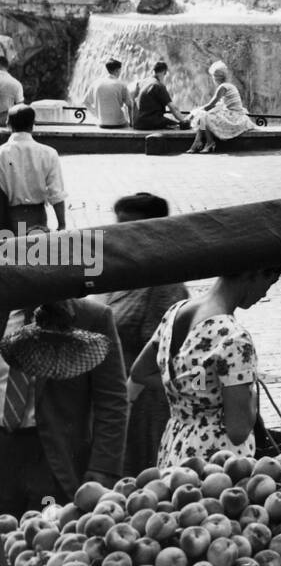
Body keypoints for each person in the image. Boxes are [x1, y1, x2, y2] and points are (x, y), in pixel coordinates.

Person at [130, 262, 281, 466]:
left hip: (175, 448)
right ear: (255, 273)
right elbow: (239, 429)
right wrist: (248, 391)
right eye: (269, 282)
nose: (265, 293)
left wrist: (191, 393)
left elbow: (140, 373)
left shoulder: (176, 312)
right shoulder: (234, 338)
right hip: (217, 461)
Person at [0, 297, 128, 516]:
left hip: (55, 456)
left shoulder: (91, 317)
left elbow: (112, 400)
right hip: (4, 447)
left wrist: (103, 468)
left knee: (46, 538)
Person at [99, 193, 189, 477]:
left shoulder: (164, 284)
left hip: (145, 404)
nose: (118, 234)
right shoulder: (123, 273)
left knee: (141, 475)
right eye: (117, 225)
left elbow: (162, 355)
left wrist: (127, 399)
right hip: (117, 397)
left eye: (129, 226)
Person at [0, 104, 66, 237]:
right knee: (36, 255)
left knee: (11, 255)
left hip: (6, 218)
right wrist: (62, 225)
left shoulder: (1, 153)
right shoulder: (49, 153)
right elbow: (56, 193)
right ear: (33, 124)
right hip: (38, 217)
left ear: (8, 123)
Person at [187, 61, 255, 154]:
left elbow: (211, 105)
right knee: (203, 116)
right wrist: (198, 111)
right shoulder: (229, 85)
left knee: (203, 117)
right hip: (235, 115)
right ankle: (200, 141)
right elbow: (217, 105)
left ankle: (206, 142)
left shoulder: (222, 87)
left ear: (216, 78)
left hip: (235, 118)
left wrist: (194, 112)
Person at [133, 60, 187, 131]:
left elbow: (134, 102)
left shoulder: (140, 83)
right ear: (164, 72)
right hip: (149, 123)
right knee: (180, 125)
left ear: (153, 70)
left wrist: (132, 121)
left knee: (168, 122)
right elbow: (173, 108)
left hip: (137, 123)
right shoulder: (158, 85)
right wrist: (184, 121)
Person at [90, 59, 134, 128]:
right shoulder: (121, 84)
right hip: (119, 123)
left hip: (101, 124)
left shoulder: (96, 83)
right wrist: (131, 123)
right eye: (120, 70)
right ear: (117, 70)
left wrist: (96, 115)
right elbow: (130, 105)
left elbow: (85, 102)